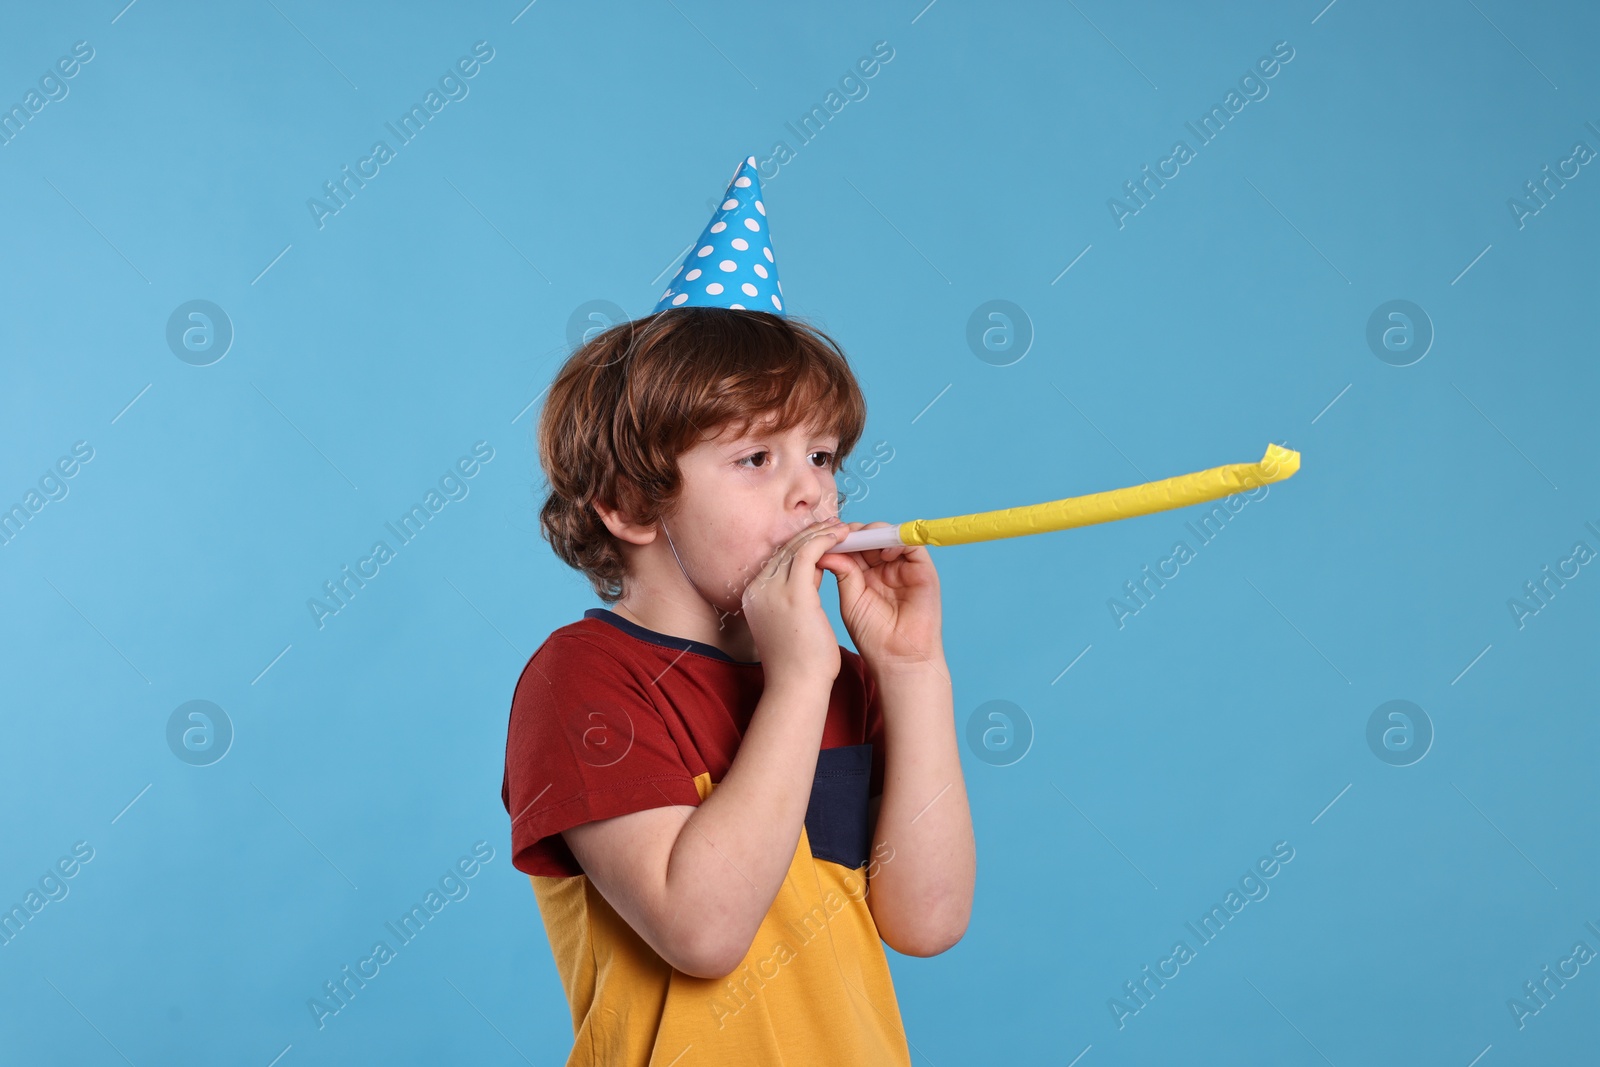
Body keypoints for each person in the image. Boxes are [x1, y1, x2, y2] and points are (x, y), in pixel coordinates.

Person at [500, 154, 974, 1067]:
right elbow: (703, 930)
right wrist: (800, 676)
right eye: (758, 459)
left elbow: (928, 918)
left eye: (825, 457)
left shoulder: (844, 681)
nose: (812, 496)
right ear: (632, 504)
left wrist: (913, 671)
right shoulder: (585, 679)